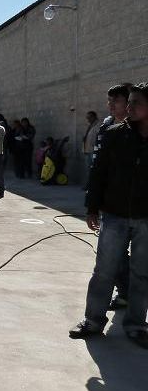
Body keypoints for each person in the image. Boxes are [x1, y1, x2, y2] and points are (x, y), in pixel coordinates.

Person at [69, 84, 148, 348]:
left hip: (145, 219)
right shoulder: (114, 134)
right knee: (104, 270)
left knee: (141, 274)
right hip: (114, 215)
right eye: (129, 102)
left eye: (136, 103)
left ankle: (136, 325)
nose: (129, 108)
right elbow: (98, 174)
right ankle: (93, 320)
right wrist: (92, 208)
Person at [90, 83, 133, 309]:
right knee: (110, 255)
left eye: (115, 101)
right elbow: (98, 165)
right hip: (111, 201)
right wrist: (93, 202)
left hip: (135, 203)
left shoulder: (139, 129)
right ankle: (124, 291)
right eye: (109, 101)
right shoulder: (107, 126)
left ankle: (130, 296)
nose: (111, 106)